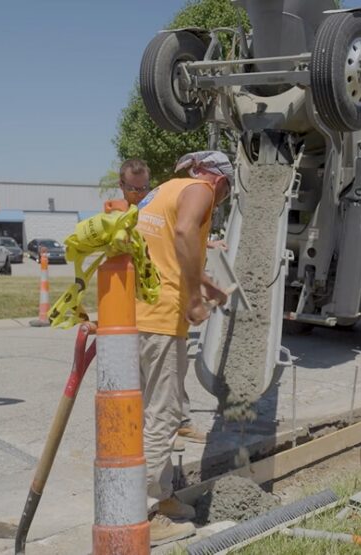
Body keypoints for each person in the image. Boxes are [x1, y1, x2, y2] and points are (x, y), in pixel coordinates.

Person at [135, 151, 232, 545]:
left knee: (146, 409)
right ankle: (147, 510)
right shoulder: (202, 190)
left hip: (136, 311)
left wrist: (204, 281)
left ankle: (163, 495)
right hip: (161, 317)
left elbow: (167, 248)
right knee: (165, 412)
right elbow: (185, 233)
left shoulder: (163, 190)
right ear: (221, 181)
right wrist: (194, 297)